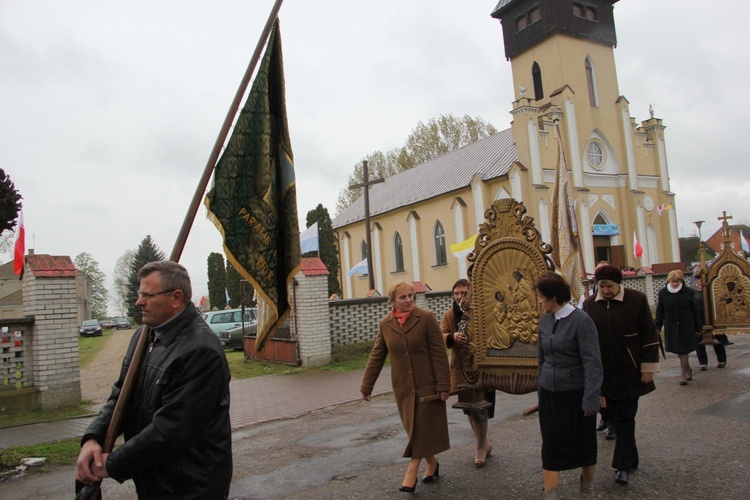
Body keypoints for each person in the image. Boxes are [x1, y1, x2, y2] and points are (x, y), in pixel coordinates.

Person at [75, 261, 232, 499]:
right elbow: (121, 395)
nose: (139, 302)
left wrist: (111, 464)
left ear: (176, 298)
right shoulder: (143, 336)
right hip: (154, 479)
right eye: (140, 294)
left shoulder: (200, 351)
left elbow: (171, 430)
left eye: (147, 295)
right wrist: (93, 438)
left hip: (190, 486)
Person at [360, 281, 451, 493]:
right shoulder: (386, 324)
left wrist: (443, 384)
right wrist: (367, 385)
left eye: (411, 296)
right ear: (392, 301)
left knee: (419, 427)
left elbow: (439, 354)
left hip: (428, 386)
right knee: (416, 429)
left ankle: (411, 471)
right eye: (403, 297)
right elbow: (377, 355)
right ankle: (432, 463)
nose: (409, 300)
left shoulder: (426, 318)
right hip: (402, 389)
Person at [582, 264, 660, 487]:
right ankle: (631, 457)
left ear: (619, 284)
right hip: (604, 373)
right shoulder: (589, 304)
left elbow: (649, 333)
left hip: (630, 371)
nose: (605, 291)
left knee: (625, 419)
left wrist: (648, 367)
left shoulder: (637, 299)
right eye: (601, 286)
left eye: (609, 286)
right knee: (616, 418)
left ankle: (621, 466)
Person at [534, 272, 603, 500]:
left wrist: (591, 398)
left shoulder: (582, 322)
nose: (539, 301)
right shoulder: (545, 321)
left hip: (576, 395)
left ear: (554, 297)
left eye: (542, 296)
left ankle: (587, 488)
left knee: (584, 444)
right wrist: (541, 387)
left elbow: (592, 363)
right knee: (551, 444)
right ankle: (550, 494)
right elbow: (542, 358)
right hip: (551, 395)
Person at [441, 279, 494, 467]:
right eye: (456, 293)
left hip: (479, 368)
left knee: (479, 407)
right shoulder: (449, 315)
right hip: (459, 369)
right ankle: (484, 443)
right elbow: (440, 335)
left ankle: (480, 446)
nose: (459, 297)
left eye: (463, 293)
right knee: (468, 408)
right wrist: (451, 337)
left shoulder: (481, 312)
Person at [655, 270, 702, 385]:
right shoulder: (663, 293)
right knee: (679, 351)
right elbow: (660, 311)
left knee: (683, 350)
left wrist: (698, 327)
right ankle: (688, 369)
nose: (675, 284)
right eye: (673, 281)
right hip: (671, 326)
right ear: (669, 281)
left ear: (681, 281)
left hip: (686, 325)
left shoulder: (688, 292)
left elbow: (694, 311)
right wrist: (657, 326)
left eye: (677, 281)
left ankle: (683, 375)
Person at [693, 273, 727, 369]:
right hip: (699, 320)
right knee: (699, 342)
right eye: (700, 278)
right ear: (697, 279)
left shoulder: (712, 289)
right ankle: (703, 363)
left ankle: (721, 360)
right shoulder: (693, 291)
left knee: (718, 339)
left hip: (713, 320)